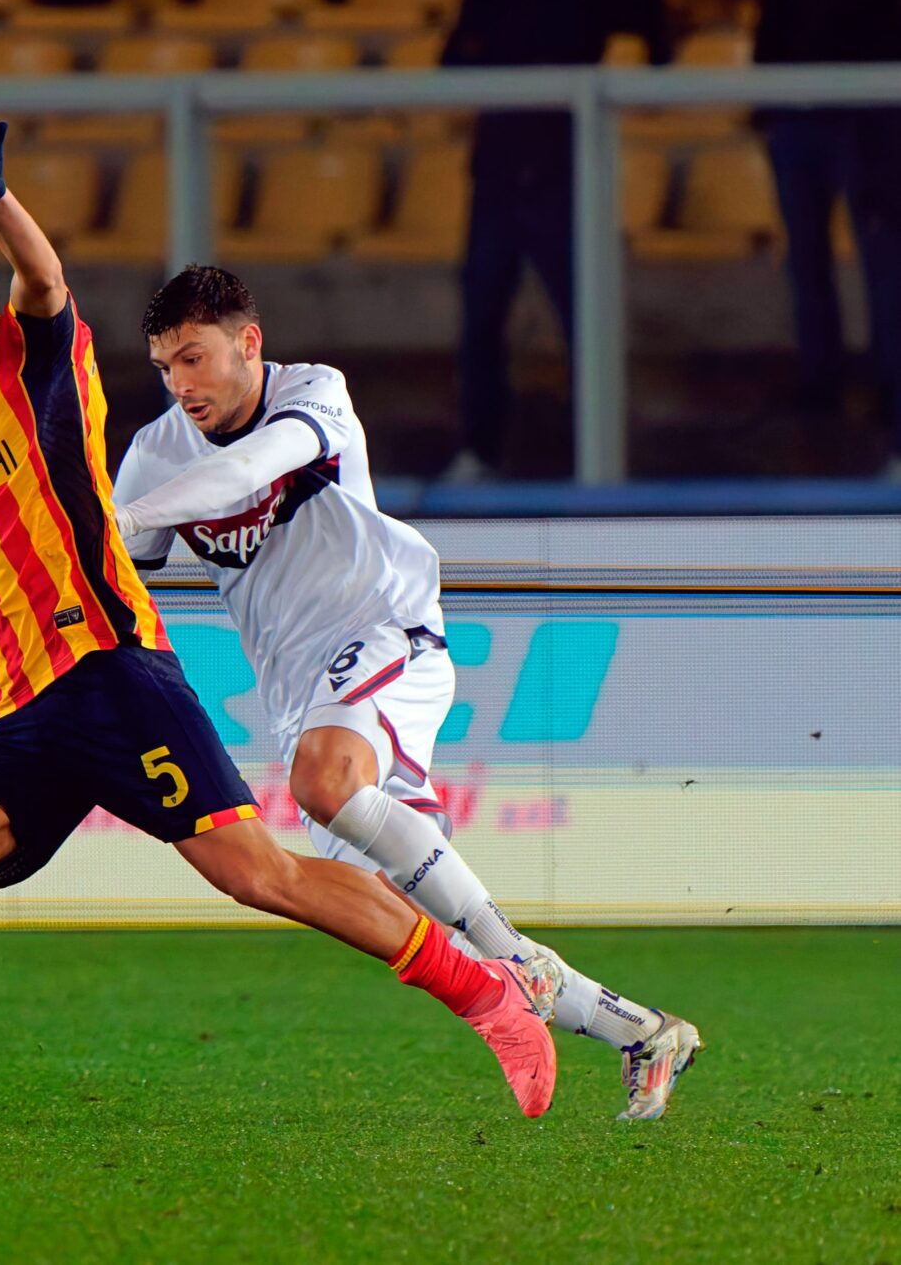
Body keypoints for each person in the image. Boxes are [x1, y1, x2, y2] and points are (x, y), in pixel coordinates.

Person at [0, 125, 559, 1126]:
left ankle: (489, 994)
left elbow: (45, 281)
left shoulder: (33, 367)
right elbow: (3, 539)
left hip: (113, 677)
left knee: (260, 876)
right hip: (31, 703)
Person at [105, 264, 702, 1120]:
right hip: (299, 694)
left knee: (326, 784)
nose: (180, 384)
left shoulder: (313, 393)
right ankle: (643, 1031)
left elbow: (245, 472)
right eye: (165, 367)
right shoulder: (156, 454)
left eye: (194, 358)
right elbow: (113, 587)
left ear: (249, 343)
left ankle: (510, 951)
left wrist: (122, 515)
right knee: (413, 919)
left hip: (385, 631)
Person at [439, 0, 671, 481]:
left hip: (563, 172)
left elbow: (651, 23)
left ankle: (597, 455)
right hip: (499, 175)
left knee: (585, 320)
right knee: (481, 320)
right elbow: (454, 61)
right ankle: (481, 450)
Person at [754, 0, 901, 476]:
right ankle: (821, 386)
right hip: (799, 120)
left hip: (867, 122)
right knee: (809, 262)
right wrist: (766, 110)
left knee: (884, 266)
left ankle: (888, 390)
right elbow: (773, 30)